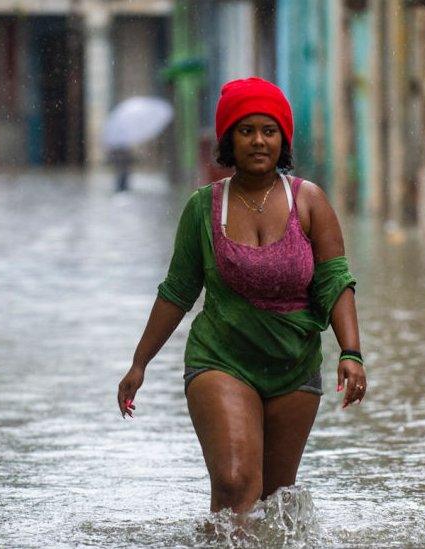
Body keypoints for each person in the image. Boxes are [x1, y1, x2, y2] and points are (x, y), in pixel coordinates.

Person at [117, 77, 365, 516]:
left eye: (268, 131)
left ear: (282, 139)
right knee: (234, 485)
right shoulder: (203, 207)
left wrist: (351, 351)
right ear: (229, 138)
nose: (258, 141)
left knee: (273, 502)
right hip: (221, 359)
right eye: (246, 130)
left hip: (294, 364)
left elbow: (334, 281)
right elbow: (177, 291)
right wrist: (140, 362)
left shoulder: (309, 201)